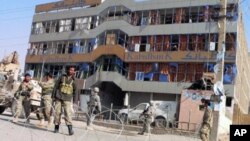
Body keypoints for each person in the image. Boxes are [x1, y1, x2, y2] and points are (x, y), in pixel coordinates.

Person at [52, 67, 77, 135]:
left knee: (67, 113)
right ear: (68, 70)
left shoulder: (74, 80)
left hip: (67, 99)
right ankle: (56, 127)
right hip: (59, 97)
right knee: (57, 112)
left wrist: (74, 101)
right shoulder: (62, 77)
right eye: (70, 69)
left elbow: (75, 91)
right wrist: (53, 96)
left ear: (74, 72)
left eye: (73, 70)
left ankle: (70, 129)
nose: (71, 71)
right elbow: (56, 86)